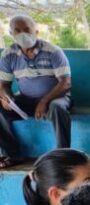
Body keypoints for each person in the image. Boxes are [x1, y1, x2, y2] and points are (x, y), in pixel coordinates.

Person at [0, 14, 72, 168]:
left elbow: (66, 83)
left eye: (27, 29)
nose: (23, 34)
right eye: (17, 31)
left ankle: (63, 156)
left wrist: (44, 101)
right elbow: (4, 84)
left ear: (36, 31)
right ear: (11, 34)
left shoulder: (53, 51)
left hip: (55, 98)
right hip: (26, 100)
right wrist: (6, 97)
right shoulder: (8, 54)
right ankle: (13, 154)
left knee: (58, 108)